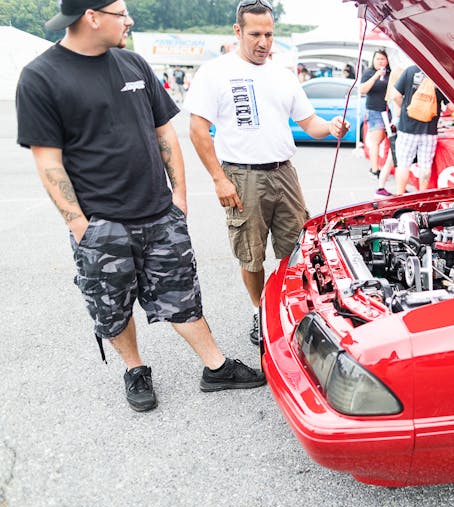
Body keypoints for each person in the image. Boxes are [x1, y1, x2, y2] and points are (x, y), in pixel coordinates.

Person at [15, 0, 266, 413]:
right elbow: (47, 160)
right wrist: (81, 226)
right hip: (102, 224)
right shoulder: (42, 77)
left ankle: (215, 367)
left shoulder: (133, 64)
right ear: (92, 17)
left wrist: (179, 197)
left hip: (159, 213)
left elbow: (164, 131)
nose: (129, 20)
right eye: (121, 13)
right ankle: (135, 369)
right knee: (113, 306)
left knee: (183, 295)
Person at [184, 0, 349, 347]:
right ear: (238, 31)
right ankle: (259, 310)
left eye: (269, 34)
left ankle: (294, 309)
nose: (263, 41)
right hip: (242, 177)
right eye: (255, 34)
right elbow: (198, 129)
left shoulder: (283, 75)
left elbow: (310, 123)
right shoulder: (216, 72)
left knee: (296, 250)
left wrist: (331, 126)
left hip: (284, 174)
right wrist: (218, 178)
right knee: (251, 253)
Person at [392, 65, 453, 194]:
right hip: (429, 130)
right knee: (425, 166)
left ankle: (400, 196)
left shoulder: (410, 70)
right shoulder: (440, 76)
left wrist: (404, 108)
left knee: (403, 164)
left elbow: (395, 95)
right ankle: (421, 197)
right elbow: (451, 107)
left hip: (407, 128)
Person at [359, 49, 391, 179]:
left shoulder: (391, 73)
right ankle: (374, 169)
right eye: (377, 59)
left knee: (383, 138)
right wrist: (376, 76)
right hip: (374, 110)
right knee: (376, 141)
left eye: (382, 59)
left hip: (389, 111)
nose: (380, 61)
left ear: (387, 61)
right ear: (373, 60)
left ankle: (381, 167)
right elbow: (362, 90)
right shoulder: (369, 73)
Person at [375, 65, 404, 197]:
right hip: (398, 126)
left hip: (394, 126)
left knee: (392, 159)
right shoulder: (396, 93)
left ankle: (387, 187)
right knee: (393, 159)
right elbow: (398, 112)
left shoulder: (391, 91)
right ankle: (382, 187)